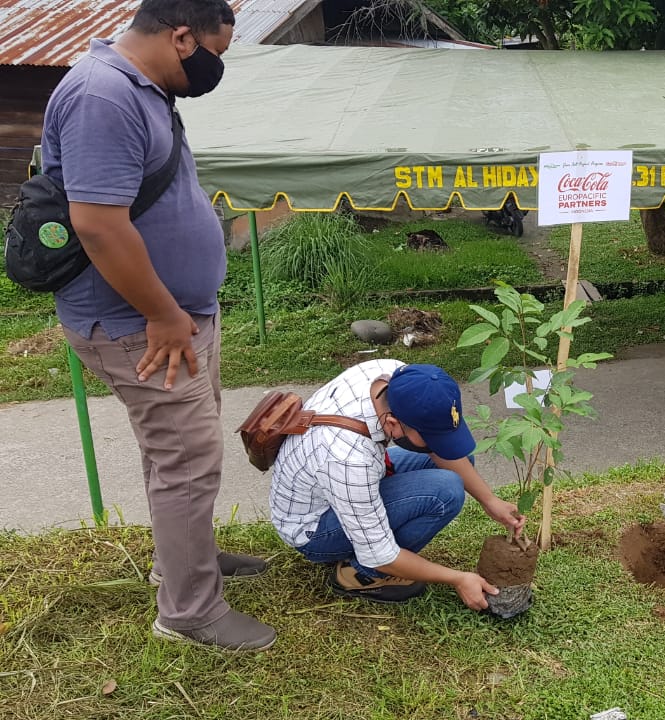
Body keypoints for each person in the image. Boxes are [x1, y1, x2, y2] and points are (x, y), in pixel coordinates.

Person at [45, 0, 274, 652]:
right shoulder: (103, 96)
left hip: (175, 319)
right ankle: (189, 611)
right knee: (185, 462)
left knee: (183, 458)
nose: (214, 69)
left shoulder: (142, 92)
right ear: (181, 37)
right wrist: (164, 314)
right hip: (139, 326)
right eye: (215, 54)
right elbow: (96, 224)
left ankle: (185, 560)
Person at [270, 361, 525, 609]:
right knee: (445, 491)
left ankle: (365, 547)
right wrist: (458, 578)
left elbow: (436, 446)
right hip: (314, 529)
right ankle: (360, 574)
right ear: (392, 423)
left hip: (338, 483)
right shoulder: (348, 458)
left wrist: (489, 501)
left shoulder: (394, 376)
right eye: (429, 436)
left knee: (457, 460)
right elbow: (380, 554)